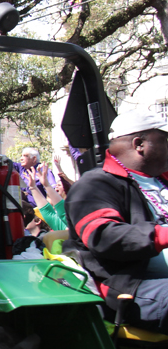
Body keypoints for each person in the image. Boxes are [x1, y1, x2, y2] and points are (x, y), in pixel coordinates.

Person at [65, 109, 168, 333]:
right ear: (140, 144)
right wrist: (162, 234)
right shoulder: (94, 184)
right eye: (165, 141)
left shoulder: (162, 180)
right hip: (134, 287)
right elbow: (104, 236)